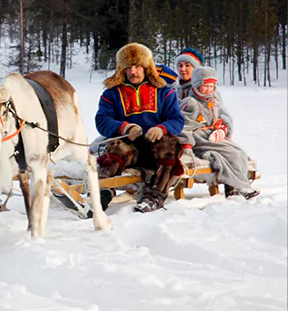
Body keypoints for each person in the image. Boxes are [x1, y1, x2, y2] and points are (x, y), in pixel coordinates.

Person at [95, 42, 185, 212]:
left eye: (137, 66)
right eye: (128, 67)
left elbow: (177, 120)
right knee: (114, 147)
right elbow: (102, 121)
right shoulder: (111, 93)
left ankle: (153, 197)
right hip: (129, 148)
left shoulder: (164, 92)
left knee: (169, 144)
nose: (132, 71)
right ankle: (103, 191)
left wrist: (162, 128)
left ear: (147, 68)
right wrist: (124, 127)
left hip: (156, 149)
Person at [178, 67, 259, 200]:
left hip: (212, 137)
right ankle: (238, 187)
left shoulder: (213, 102)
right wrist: (186, 146)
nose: (209, 89)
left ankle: (237, 187)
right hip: (199, 139)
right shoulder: (190, 103)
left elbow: (221, 119)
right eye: (205, 86)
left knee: (240, 152)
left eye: (211, 86)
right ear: (197, 85)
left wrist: (221, 129)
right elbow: (184, 126)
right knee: (231, 154)